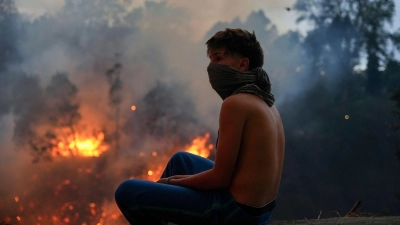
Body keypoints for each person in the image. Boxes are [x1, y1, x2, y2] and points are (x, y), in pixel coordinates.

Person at [114, 28, 285, 225]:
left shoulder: (236, 103)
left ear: (243, 64)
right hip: (261, 211)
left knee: (127, 192)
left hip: (236, 213)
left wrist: (171, 182)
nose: (212, 67)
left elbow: (220, 178)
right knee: (181, 161)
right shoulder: (266, 102)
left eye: (219, 58)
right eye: (211, 60)